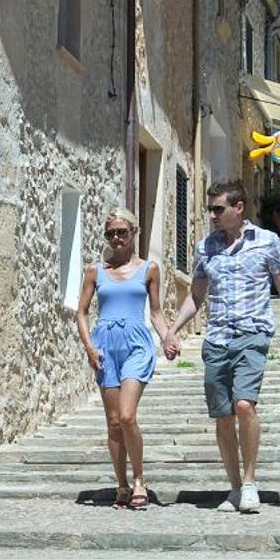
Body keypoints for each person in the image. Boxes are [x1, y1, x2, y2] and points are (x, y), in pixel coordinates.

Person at [164, 181, 280, 514]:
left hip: (252, 334)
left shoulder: (268, 242)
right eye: (211, 209)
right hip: (217, 339)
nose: (213, 215)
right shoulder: (206, 248)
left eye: (218, 209)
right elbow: (196, 295)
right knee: (224, 416)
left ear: (238, 207)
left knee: (244, 405)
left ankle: (250, 482)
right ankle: (233, 488)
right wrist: (172, 330)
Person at [75, 207, 171, 511]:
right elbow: (81, 312)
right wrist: (90, 346)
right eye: (111, 233)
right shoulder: (95, 271)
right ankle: (122, 484)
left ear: (134, 233)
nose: (116, 238)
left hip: (136, 344)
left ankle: (140, 479)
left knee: (127, 416)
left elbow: (155, 312)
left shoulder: (149, 269)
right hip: (105, 345)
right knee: (114, 422)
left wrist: (169, 336)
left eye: (122, 232)